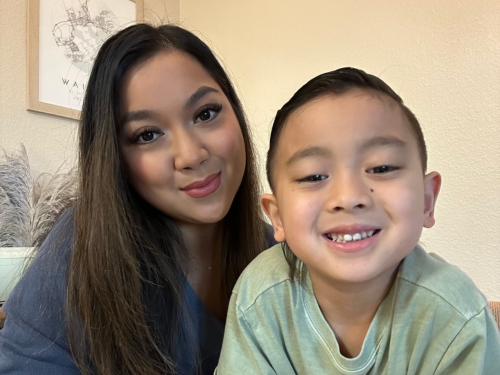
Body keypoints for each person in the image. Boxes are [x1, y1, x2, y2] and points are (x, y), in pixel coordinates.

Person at [0, 24, 275, 375]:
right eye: (147, 135)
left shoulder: (283, 255)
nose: (190, 155)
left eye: (206, 113)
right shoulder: (83, 244)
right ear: (116, 158)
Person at [217, 68, 500, 374]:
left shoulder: (457, 317)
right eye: (314, 176)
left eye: (381, 168)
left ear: (426, 200)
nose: (349, 196)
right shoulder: (260, 297)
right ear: (278, 216)